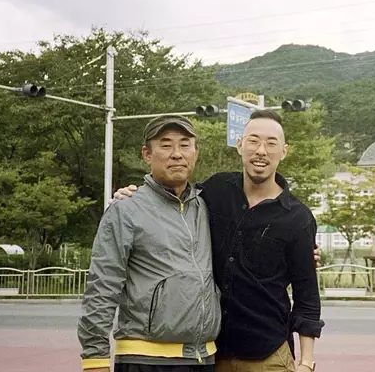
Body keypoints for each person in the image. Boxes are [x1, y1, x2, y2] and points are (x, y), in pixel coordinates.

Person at [115, 109, 324, 371]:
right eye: (253, 140)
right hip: (212, 353)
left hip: (267, 353)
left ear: (283, 151)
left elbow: (307, 297)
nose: (261, 150)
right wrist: (133, 194)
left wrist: (306, 362)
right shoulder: (214, 190)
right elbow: (174, 197)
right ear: (240, 145)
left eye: (271, 143)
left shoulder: (298, 218)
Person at [78, 115, 220, 372]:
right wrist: (94, 359)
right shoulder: (126, 210)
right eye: (165, 145)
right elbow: (102, 287)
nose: (177, 154)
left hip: (203, 358)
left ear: (195, 152)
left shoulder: (206, 207)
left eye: (185, 144)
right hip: (145, 360)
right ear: (147, 153)